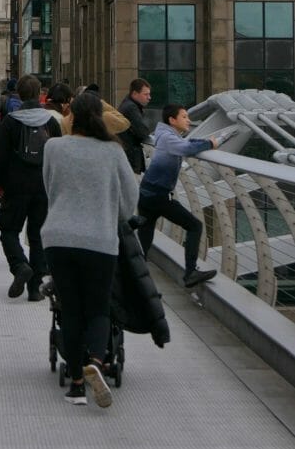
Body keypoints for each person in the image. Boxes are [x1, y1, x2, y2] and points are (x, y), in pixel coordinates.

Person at [42, 92, 139, 407]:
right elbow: (129, 201)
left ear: (71, 117)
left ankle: (75, 384)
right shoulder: (113, 151)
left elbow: (49, 187)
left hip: (58, 238)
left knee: (70, 309)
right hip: (99, 239)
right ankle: (96, 362)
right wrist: (116, 214)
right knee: (98, 308)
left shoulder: (53, 147)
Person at [0, 74, 61, 300]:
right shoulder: (51, 122)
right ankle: (35, 288)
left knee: (8, 229)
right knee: (38, 235)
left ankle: (20, 265)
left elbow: (0, 157)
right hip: (43, 185)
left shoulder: (10, 122)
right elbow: (58, 156)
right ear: (39, 92)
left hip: (16, 185)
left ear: (19, 95)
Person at [137, 103, 219, 287]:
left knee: (145, 234)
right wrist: (210, 143)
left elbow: (186, 144)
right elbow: (185, 149)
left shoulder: (166, 135)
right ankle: (190, 273)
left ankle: (135, 272)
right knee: (194, 226)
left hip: (148, 192)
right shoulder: (167, 137)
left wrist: (202, 143)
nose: (188, 120)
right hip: (158, 195)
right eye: (184, 117)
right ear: (172, 120)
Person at [118, 78, 152, 173]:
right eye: (146, 94)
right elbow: (142, 132)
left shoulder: (127, 104)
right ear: (134, 94)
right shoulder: (131, 108)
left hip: (127, 157)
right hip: (130, 159)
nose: (149, 97)